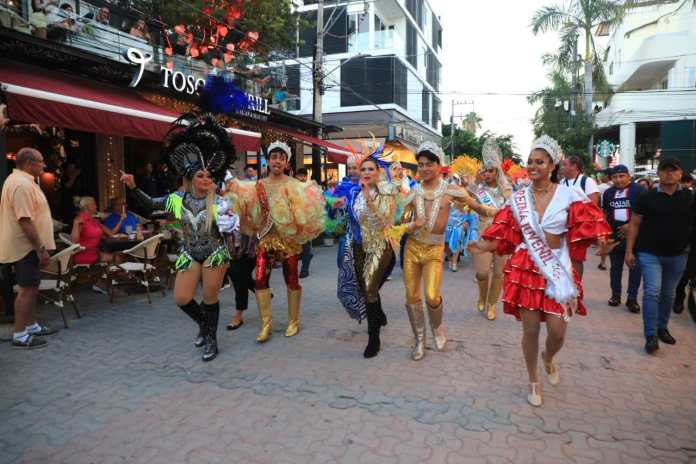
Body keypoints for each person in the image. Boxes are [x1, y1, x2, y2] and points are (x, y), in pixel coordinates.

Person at [468, 135, 611, 407]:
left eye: (539, 162)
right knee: (530, 329)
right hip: (527, 266)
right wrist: (483, 244)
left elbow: (589, 225)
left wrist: (602, 241)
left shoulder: (570, 195)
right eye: (530, 162)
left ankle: (548, 357)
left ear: (552, 165)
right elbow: (505, 233)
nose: (533, 166)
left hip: (556, 266)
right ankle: (533, 378)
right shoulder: (518, 198)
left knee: (557, 332)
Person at [121, 114, 239, 362]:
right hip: (189, 251)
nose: (205, 180)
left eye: (208, 176)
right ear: (190, 177)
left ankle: (211, 340)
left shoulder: (219, 202)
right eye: (200, 176)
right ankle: (205, 327)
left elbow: (233, 223)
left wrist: (232, 222)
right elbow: (151, 206)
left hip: (215, 253)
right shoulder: (177, 199)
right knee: (182, 298)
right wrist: (132, 187)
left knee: (210, 298)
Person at [226, 141, 325, 343]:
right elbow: (248, 207)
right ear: (268, 161)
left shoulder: (295, 185)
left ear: (286, 162)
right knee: (261, 280)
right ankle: (266, 325)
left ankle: (293, 321)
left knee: (292, 280)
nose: (277, 161)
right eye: (273, 157)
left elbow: (305, 212)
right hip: (266, 240)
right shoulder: (259, 185)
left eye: (281, 158)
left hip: (288, 242)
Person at [398, 142, 473, 361]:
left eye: (429, 164)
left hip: (434, 249)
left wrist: (501, 212)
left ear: (439, 165)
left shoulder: (450, 190)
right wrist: (410, 224)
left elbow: (475, 207)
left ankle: (437, 326)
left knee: (431, 295)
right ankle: (419, 340)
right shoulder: (413, 192)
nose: (424, 169)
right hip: (413, 248)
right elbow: (397, 223)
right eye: (420, 165)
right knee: (411, 296)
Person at [624, 157, 694, 355]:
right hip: (649, 253)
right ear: (659, 173)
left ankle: (662, 327)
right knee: (652, 291)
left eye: (674, 170)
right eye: (665, 170)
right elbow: (635, 224)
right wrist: (629, 251)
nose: (669, 173)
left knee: (668, 294)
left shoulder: (690, 197)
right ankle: (651, 335)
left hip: (678, 254)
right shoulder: (647, 197)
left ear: (681, 173)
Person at [337, 148, 396, 358]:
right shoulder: (354, 193)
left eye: (371, 168)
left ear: (378, 172)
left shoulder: (386, 192)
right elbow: (350, 219)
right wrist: (336, 207)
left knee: (370, 288)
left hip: (381, 247)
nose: (366, 172)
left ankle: (374, 339)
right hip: (359, 247)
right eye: (363, 169)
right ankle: (379, 315)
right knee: (365, 289)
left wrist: (371, 201)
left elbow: (384, 221)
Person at [0, 148, 58, 349]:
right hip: (26, 247)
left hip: (28, 247)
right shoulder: (21, 185)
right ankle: (20, 334)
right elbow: (24, 220)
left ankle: (31, 325)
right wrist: (39, 248)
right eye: (41, 161)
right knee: (26, 290)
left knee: (32, 288)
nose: (44, 165)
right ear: (29, 163)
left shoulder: (22, 182)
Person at [468, 139, 512, 321]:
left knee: (499, 273)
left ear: (497, 172)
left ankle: (492, 304)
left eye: (490, 170)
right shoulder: (478, 190)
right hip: (483, 235)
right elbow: (466, 201)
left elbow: (513, 212)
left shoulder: (507, 190)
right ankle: (481, 296)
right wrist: (474, 184)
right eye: (485, 170)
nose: (487, 173)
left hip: (502, 237)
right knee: (482, 272)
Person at [602, 165, 644, 313]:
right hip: (615, 237)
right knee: (615, 267)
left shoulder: (639, 190)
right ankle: (615, 295)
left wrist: (630, 226)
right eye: (615, 177)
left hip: (635, 237)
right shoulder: (608, 193)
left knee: (634, 268)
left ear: (628, 176)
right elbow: (605, 213)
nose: (618, 179)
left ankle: (632, 299)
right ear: (611, 178)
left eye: (622, 176)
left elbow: (646, 212)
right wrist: (604, 235)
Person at [560, 155, 600, 278]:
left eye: (565, 165)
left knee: (576, 259)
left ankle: (576, 289)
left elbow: (594, 204)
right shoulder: (562, 182)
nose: (562, 168)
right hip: (562, 225)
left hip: (579, 227)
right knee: (562, 257)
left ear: (574, 166)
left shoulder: (587, 181)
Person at [71, 196, 124, 266]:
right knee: (119, 258)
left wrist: (121, 219)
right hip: (85, 255)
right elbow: (73, 241)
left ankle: (110, 275)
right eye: (94, 204)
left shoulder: (93, 220)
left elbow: (111, 233)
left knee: (122, 255)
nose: (96, 206)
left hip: (95, 253)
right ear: (86, 207)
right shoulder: (80, 220)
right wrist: (75, 224)